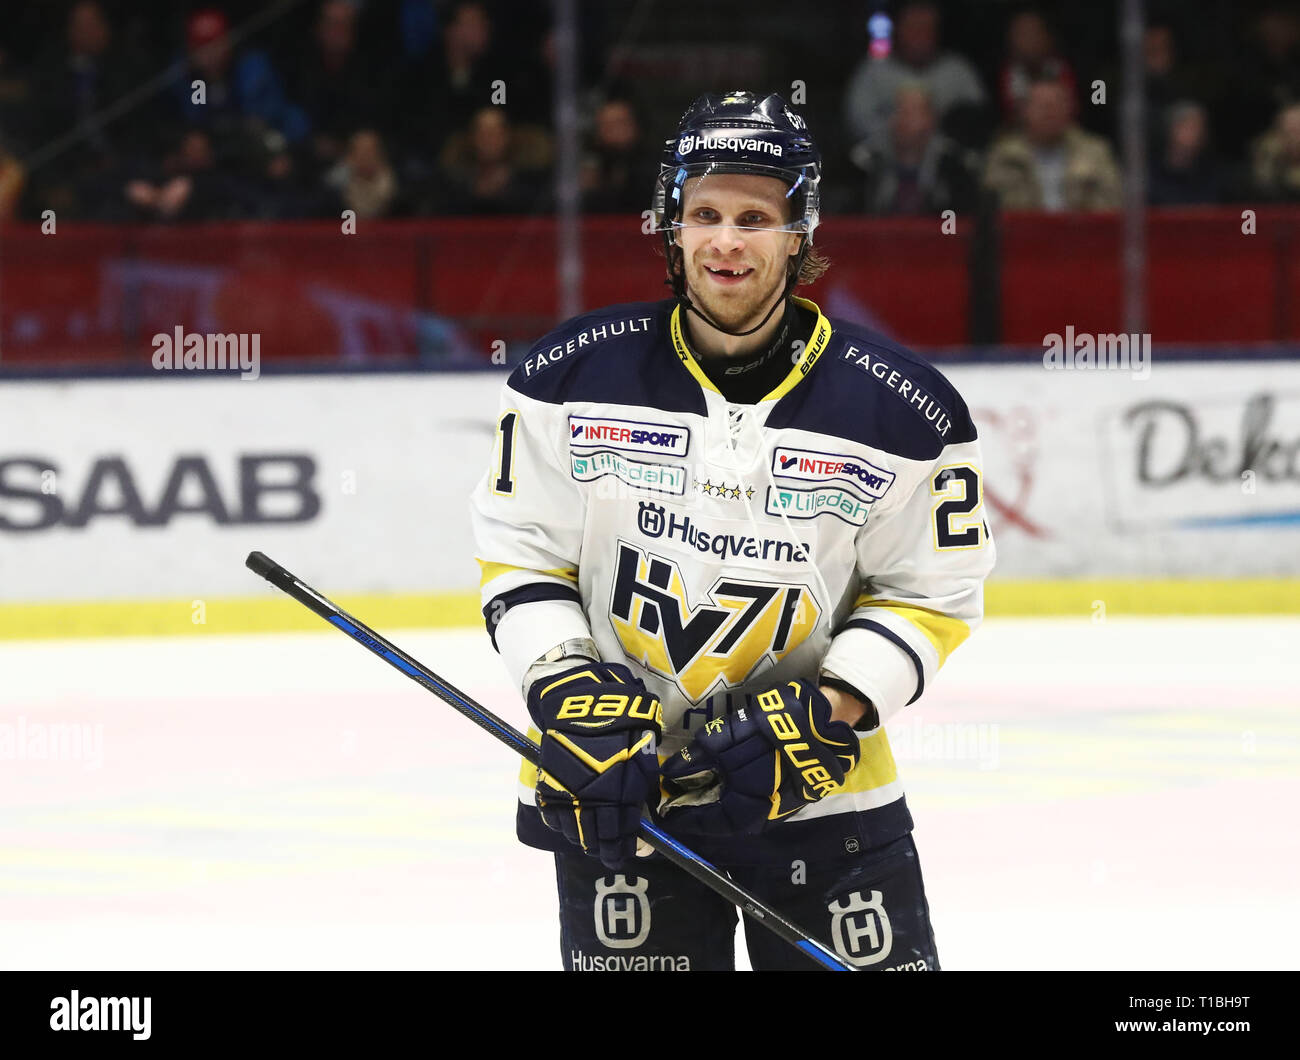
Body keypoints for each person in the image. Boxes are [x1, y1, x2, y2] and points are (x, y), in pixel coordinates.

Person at [470, 91, 995, 971]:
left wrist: (835, 706)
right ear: (668, 226)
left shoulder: (905, 409)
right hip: (622, 793)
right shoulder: (566, 376)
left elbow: (932, 591)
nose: (725, 241)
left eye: (756, 217)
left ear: (800, 233)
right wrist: (564, 687)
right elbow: (522, 555)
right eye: (702, 214)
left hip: (826, 808)